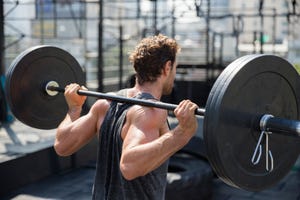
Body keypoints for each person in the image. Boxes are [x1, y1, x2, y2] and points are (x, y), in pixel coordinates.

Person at [54, 34, 199, 200]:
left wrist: (74, 109)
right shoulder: (150, 111)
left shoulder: (105, 104)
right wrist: (182, 133)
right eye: (175, 68)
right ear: (167, 67)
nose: (173, 74)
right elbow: (129, 166)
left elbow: (62, 145)